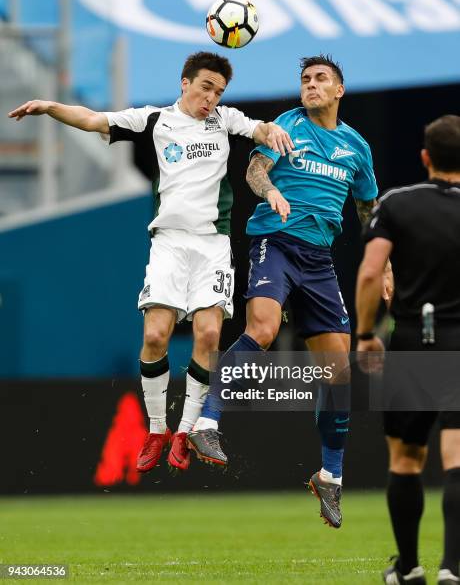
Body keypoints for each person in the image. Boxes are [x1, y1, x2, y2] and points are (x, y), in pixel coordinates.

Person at [9, 51, 293, 473]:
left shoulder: (226, 119)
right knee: (157, 335)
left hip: (212, 243)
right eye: (205, 87)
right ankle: (157, 428)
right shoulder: (155, 120)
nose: (211, 98)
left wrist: (272, 130)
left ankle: (185, 430)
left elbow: (260, 128)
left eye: (218, 91)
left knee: (209, 331)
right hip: (169, 244)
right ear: (184, 83)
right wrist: (50, 107)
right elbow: (92, 119)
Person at [187, 54, 392, 528]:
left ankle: (330, 477)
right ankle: (207, 422)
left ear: (339, 90)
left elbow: (368, 209)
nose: (311, 85)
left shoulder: (356, 147)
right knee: (261, 327)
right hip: (275, 243)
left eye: (321, 79)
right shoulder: (286, 125)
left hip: (318, 260)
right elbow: (255, 171)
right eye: (305, 79)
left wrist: (383, 265)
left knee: (339, 371)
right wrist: (270, 192)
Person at [356, 114, 460, 584]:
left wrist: (365, 333)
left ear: (425, 157)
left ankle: (409, 567)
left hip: (412, 340)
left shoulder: (396, 203)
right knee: (458, 457)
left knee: (405, 459)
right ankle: (453, 568)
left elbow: (370, 272)